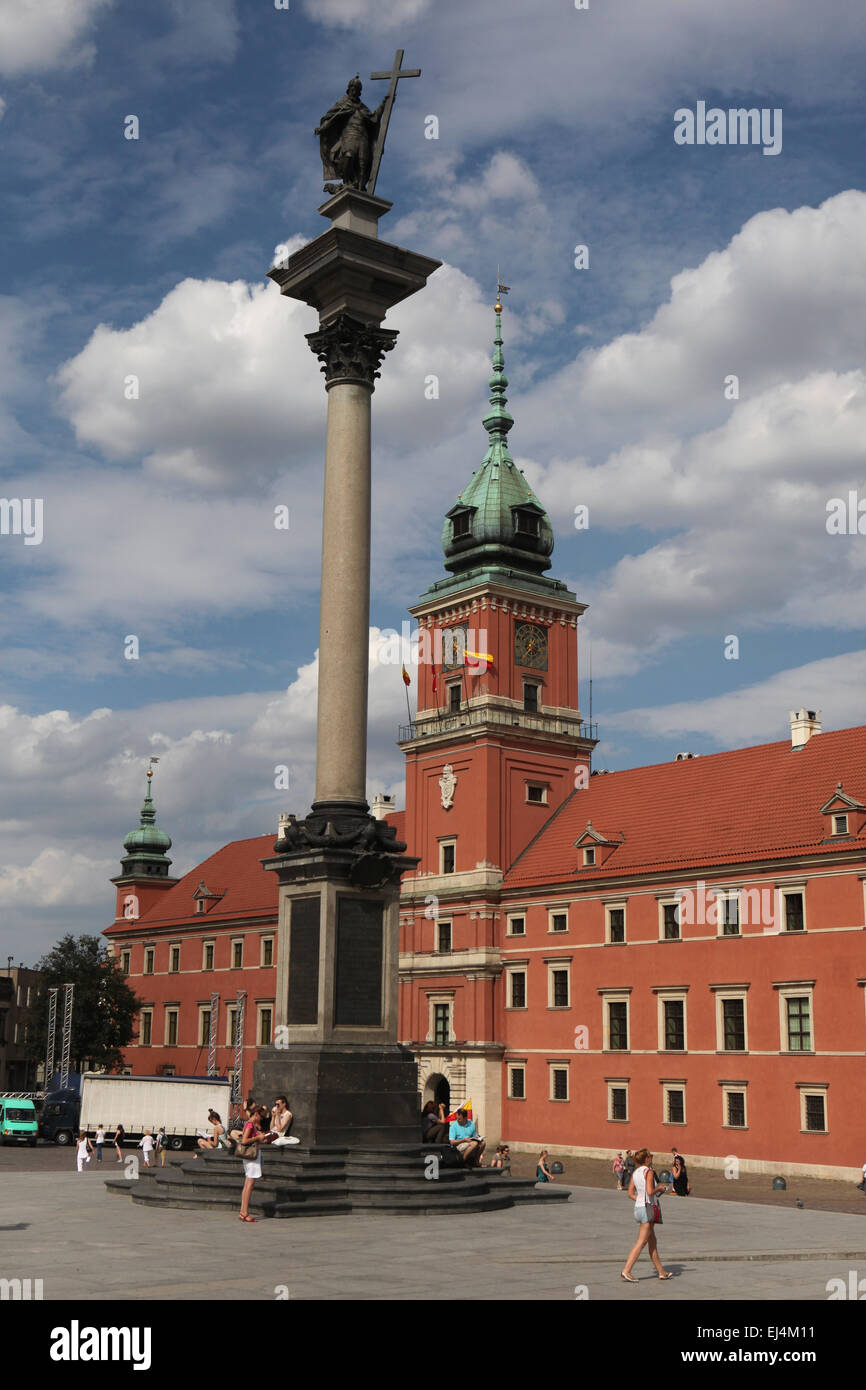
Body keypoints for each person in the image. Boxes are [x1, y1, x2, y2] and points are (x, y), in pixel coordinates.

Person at [621, 1147, 673, 1283]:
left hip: (639, 1208)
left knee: (652, 1242)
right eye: (650, 1155)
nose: (652, 1156)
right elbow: (650, 1191)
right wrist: (661, 1188)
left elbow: (630, 1193)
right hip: (647, 1208)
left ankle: (661, 1271)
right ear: (647, 1159)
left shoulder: (636, 1172)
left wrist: (640, 1198)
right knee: (642, 1242)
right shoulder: (649, 1172)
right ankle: (626, 1270)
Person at [238, 1105, 275, 1223]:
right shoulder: (249, 1125)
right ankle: (245, 1212)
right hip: (252, 1157)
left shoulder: (250, 1124)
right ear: (256, 1115)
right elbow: (244, 1141)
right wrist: (257, 1137)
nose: (261, 1119)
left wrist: (260, 1137)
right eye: (260, 1116)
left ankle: (243, 1211)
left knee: (247, 1184)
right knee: (249, 1184)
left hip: (250, 1157)